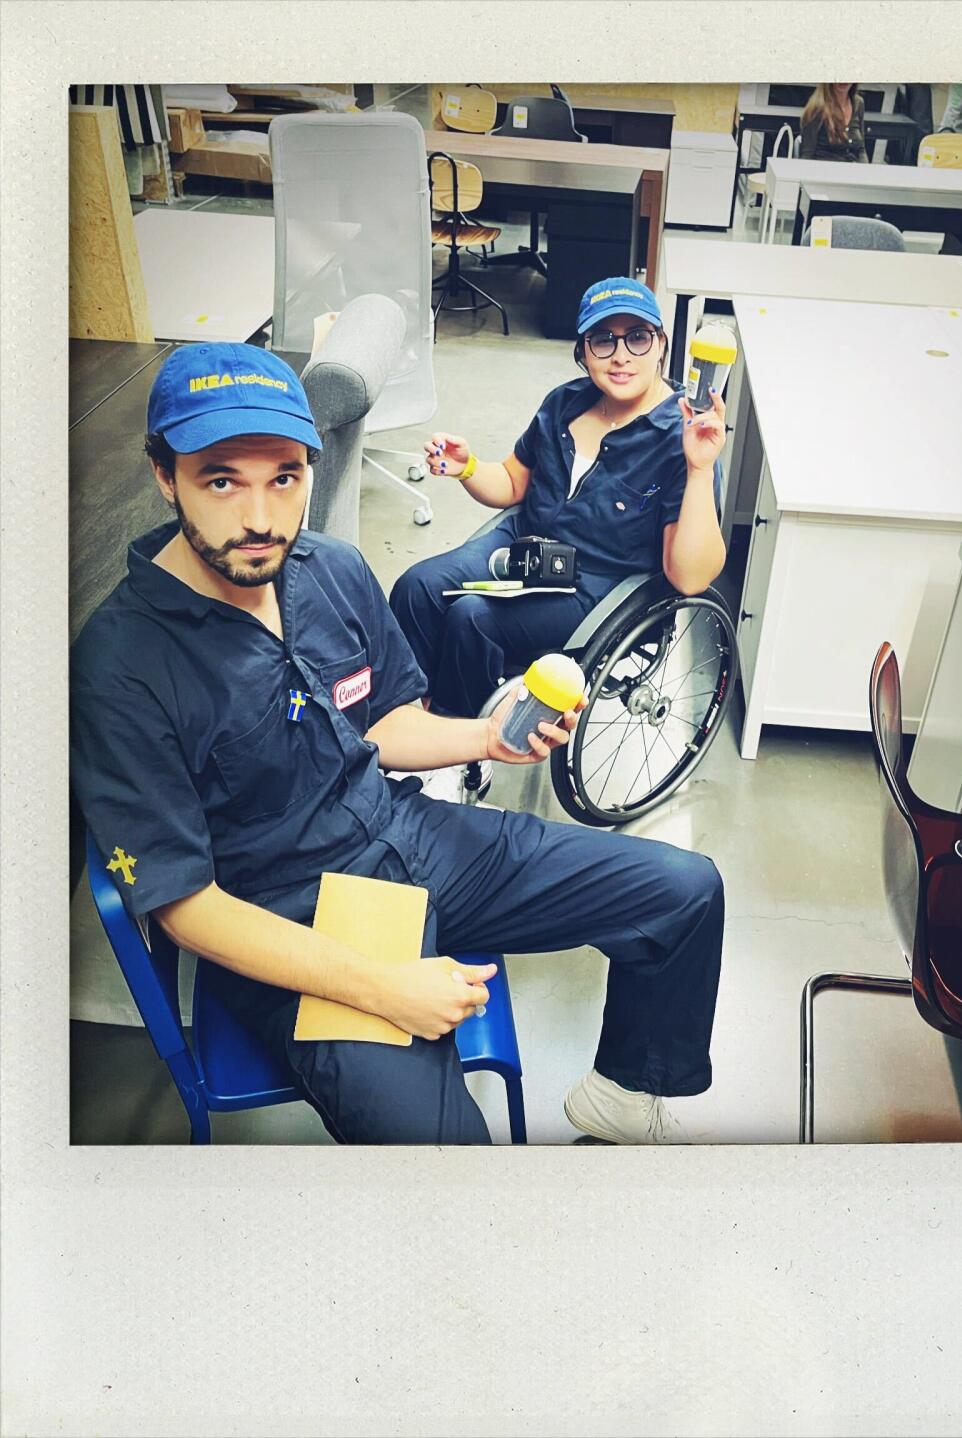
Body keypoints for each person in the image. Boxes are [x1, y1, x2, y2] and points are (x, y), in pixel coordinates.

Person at [69, 342, 725, 1146]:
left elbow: (380, 723)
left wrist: (485, 736)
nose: (261, 518)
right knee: (443, 1154)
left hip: (409, 835)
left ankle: (623, 1098)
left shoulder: (331, 571)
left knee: (683, 891)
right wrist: (385, 988)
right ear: (163, 475)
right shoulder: (120, 664)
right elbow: (185, 907)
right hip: (294, 919)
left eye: (284, 477)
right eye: (220, 479)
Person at [388, 276, 727, 729]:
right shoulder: (565, 403)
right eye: (603, 340)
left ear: (661, 346)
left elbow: (689, 577)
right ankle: (415, 718)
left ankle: (462, 744)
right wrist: (467, 467)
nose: (621, 355)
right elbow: (512, 483)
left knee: (472, 618)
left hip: (595, 585)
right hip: (523, 546)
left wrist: (700, 467)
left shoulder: (680, 436)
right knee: (417, 587)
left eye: (638, 338)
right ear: (583, 352)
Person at [798, 84, 869, 163]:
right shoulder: (816, 108)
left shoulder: (858, 103)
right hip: (824, 170)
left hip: (852, 170)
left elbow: (861, 149)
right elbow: (807, 154)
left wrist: (866, 171)